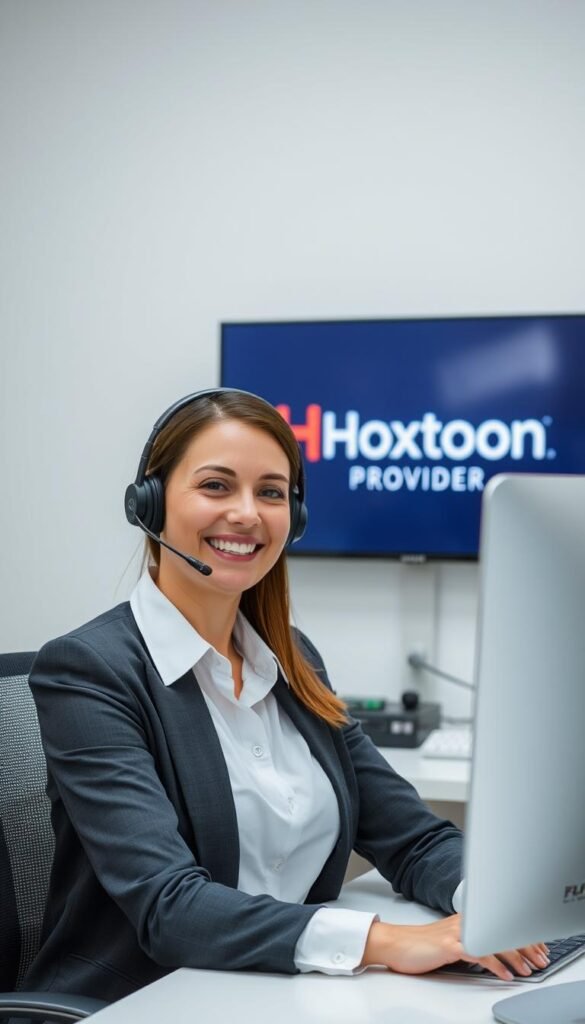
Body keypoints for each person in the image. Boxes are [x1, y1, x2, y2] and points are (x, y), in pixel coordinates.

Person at [25, 388, 548, 1003]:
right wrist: (387, 941)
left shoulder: (292, 662)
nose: (247, 513)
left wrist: (492, 911)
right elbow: (170, 906)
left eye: (271, 492)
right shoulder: (90, 672)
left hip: (280, 992)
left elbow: (415, 840)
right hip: (142, 999)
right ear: (150, 503)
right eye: (216, 486)